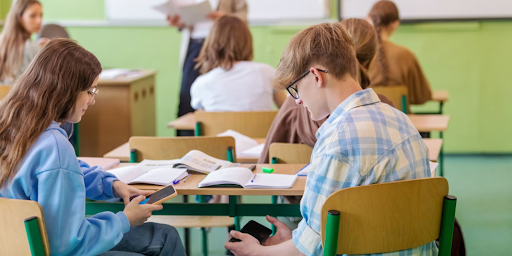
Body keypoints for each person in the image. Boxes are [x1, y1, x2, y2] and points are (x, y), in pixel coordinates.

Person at [225, 22, 435, 256]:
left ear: (315, 76)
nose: (297, 101)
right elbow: (318, 237)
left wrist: (256, 252)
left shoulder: (338, 140)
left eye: (295, 88)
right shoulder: (400, 119)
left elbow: (312, 249)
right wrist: (297, 238)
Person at [0, 39, 185, 256]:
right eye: (90, 91)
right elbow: (66, 245)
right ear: (66, 91)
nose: (93, 100)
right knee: (164, 238)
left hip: (14, 246)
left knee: (163, 236)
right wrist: (125, 220)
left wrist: (111, 184)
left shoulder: (13, 124)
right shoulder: (55, 148)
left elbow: (60, 169)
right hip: (54, 248)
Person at [258, 18, 393, 165]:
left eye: (296, 89)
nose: (298, 100)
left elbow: (266, 159)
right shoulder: (389, 114)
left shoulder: (296, 108)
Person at [167, 0, 248, 135]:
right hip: (194, 45)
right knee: (187, 99)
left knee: (223, 94)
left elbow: (243, 18)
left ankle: (222, 139)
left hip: (223, 45)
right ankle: (185, 145)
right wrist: (179, 21)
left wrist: (225, 19)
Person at [191, 15, 286, 112]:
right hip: (263, 127)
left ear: (212, 43)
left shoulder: (201, 84)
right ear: (247, 41)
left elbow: (201, 120)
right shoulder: (267, 72)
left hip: (222, 128)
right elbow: (289, 111)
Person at [367, 0, 432, 107]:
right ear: (395, 24)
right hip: (402, 121)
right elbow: (422, 97)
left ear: (368, 18)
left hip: (367, 121)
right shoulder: (405, 55)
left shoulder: (360, 54)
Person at [0, 0, 48, 85]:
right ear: (19, 18)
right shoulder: (33, 48)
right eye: (33, 16)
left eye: (41, 15)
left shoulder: (2, 42)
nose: (39, 21)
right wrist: (49, 50)